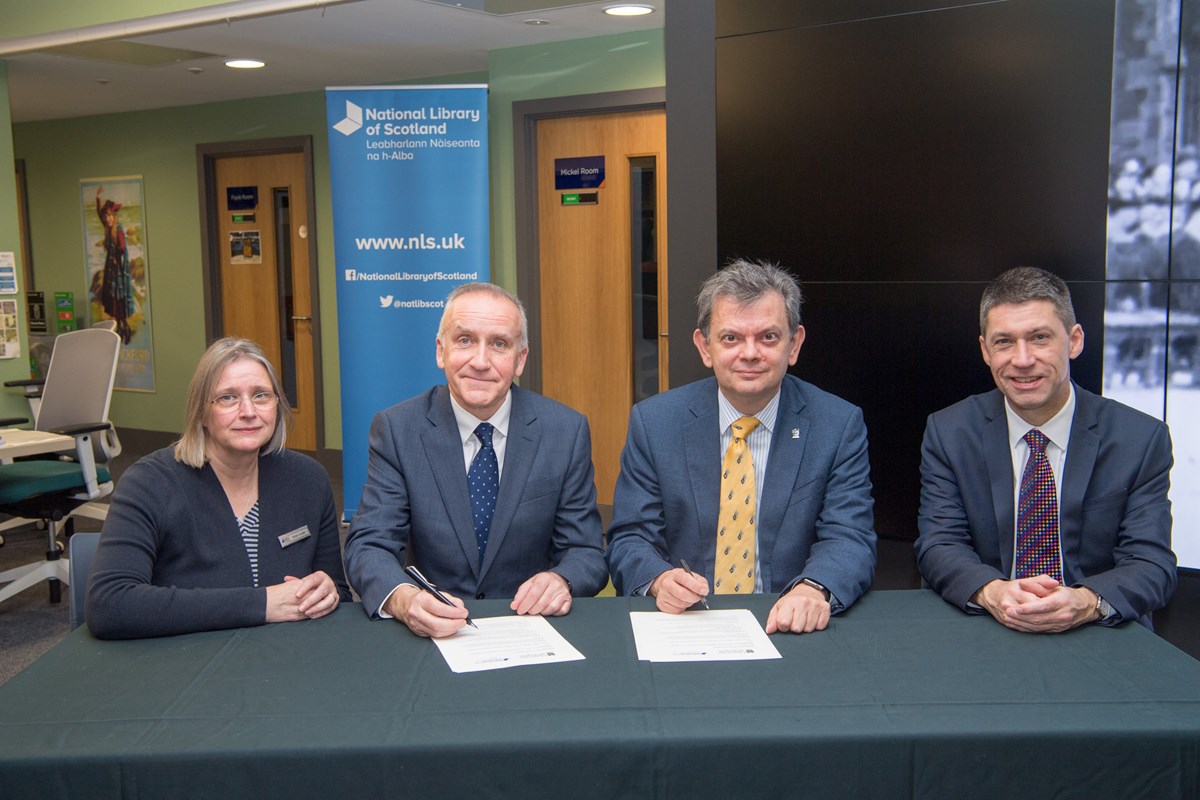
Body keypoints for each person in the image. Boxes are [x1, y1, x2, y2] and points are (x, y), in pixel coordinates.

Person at [605, 259, 877, 634]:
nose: (749, 353)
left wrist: (813, 589)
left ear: (794, 344)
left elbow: (850, 536)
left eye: (768, 337)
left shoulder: (836, 425)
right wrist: (659, 580)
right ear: (704, 346)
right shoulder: (655, 424)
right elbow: (630, 537)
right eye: (731, 338)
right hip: (683, 624)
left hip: (790, 623)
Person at [915, 267, 1176, 632]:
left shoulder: (1141, 438)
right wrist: (993, 592)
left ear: (1074, 341)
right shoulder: (950, 431)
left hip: (1100, 630)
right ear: (985, 351)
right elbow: (939, 545)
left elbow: (1151, 564)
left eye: (1039, 338)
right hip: (986, 624)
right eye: (1004, 342)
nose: (1022, 360)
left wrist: (1085, 602)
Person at [342, 282, 607, 638]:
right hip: (432, 631)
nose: (480, 362)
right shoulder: (398, 430)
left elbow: (585, 551)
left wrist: (561, 579)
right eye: (465, 340)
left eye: (499, 344)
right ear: (441, 351)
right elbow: (369, 545)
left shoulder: (565, 431)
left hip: (530, 629)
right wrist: (405, 600)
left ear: (520, 359)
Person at [86, 338, 349, 639]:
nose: (249, 411)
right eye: (228, 398)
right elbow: (110, 605)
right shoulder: (149, 483)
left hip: (287, 661)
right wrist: (262, 604)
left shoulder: (308, 480)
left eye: (261, 395)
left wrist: (329, 592)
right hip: (187, 665)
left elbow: (339, 591)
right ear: (201, 412)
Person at [95, 186, 135, 344]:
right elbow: (99, 214)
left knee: (119, 297)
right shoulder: (107, 228)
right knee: (111, 297)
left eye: (110, 216)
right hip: (111, 269)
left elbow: (122, 248)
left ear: (114, 216)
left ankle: (124, 328)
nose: (108, 218)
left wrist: (117, 259)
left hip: (118, 269)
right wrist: (97, 198)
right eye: (106, 216)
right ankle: (119, 327)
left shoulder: (118, 230)